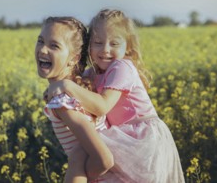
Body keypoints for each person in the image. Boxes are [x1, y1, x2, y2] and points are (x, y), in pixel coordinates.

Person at [47, 9, 185, 182]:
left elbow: (102, 106)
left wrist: (66, 85)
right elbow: (79, 88)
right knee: (82, 156)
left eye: (114, 44)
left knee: (80, 155)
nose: (105, 50)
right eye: (97, 42)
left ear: (127, 46)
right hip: (123, 137)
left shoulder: (122, 67)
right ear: (89, 46)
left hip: (141, 139)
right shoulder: (94, 73)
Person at [35, 16, 115, 183]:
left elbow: (104, 160)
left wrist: (80, 173)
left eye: (54, 46)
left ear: (74, 58)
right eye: (40, 41)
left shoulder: (63, 102)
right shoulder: (83, 89)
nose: (42, 50)